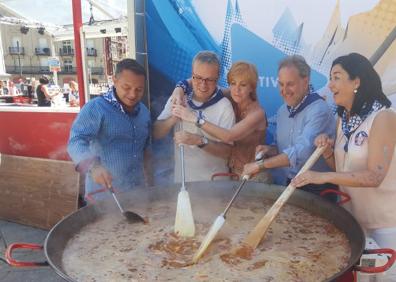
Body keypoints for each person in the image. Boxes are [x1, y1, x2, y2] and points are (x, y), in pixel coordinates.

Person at [292, 53, 396, 279]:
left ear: (356, 81)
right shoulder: (344, 119)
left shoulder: (383, 118)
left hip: (386, 225)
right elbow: (343, 171)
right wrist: (329, 152)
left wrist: (323, 177)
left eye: (336, 77)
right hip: (355, 221)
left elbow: (374, 177)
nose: (329, 85)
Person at [242, 55, 337, 200]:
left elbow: (303, 152)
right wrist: (270, 150)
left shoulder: (319, 110)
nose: (284, 90)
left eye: (290, 84)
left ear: (305, 82)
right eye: (281, 84)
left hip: (318, 190)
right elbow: (283, 147)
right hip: (290, 185)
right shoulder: (282, 111)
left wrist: (260, 166)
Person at [68, 58, 152, 200]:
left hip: (137, 191)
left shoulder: (144, 112)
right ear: (115, 80)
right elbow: (76, 141)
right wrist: (93, 166)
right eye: (126, 87)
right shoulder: (96, 108)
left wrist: (150, 183)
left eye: (139, 89)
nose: (132, 94)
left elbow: (146, 150)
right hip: (103, 194)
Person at [172, 61, 270, 181]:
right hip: (233, 174)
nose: (237, 89)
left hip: (255, 177)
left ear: (252, 87)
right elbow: (194, 81)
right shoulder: (233, 94)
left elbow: (229, 136)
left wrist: (194, 118)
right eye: (233, 83)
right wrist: (178, 90)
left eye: (243, 85)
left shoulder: (257, 113)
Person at [153, 51, 235, 182]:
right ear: (192, 75)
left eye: (209, 80)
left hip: (215, 186)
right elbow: (156, 132)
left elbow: (228, 152)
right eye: (198, 78)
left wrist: (199, 141)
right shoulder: (179, 98)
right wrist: (173, 118)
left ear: (218, 78)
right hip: (182, 183)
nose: (203, 85)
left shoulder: (224, 106)